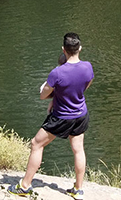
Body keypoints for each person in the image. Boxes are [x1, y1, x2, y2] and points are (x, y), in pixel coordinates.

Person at [9, 33, 93, 198]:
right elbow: (85, 86)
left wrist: (54, 96)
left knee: (36, 144)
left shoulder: (57, 73)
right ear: (80, 48)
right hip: (81, 114)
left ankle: (24, 186)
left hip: (62, 116)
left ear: (63, 49)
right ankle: (78, 189)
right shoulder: (88, 67)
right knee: (78, 150)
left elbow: (43, 94)